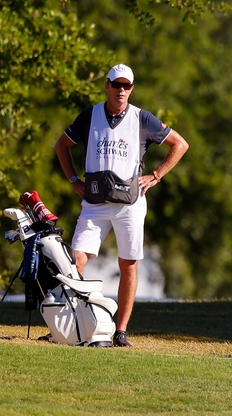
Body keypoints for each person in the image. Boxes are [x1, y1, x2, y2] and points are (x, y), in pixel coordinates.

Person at [55, 63, 189, 348]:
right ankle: (70, 325)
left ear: (132, 89)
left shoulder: (142, 118)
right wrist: (73, 179)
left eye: (127, 86)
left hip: (130, 203)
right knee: (75, 260)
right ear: (106, 86)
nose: (121, 90)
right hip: (94, 202)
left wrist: (156, 176)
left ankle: (121, 331)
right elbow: (61, 145)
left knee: (128, 264)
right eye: (116, 85)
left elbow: (180, 144)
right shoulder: (89, 115)